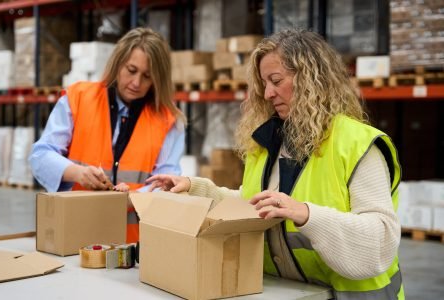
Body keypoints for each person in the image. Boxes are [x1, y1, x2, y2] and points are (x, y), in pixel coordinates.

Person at [146, 28, 404, 299]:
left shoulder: (358, 144)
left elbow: (381, 240)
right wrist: (196, 188)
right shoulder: (269, 142)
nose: (268, 93)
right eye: (264, 83)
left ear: (311, 79)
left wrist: (306, 214)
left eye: (276, 80)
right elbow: (253, 203)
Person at [29, 27, 186, 243]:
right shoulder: (78, 98)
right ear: (117, 63)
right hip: (75, 235)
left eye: (147, 77)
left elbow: (168, 183)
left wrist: (134, 198)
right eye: (131, 70)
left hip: (132, 246)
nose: (136, 83)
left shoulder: (169, 121)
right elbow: (40, 156)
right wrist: (77, 173)